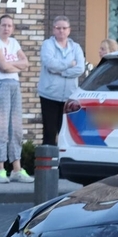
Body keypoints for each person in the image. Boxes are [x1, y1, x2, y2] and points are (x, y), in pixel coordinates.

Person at [0, 14, 32, 183]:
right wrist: (12, 66)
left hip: (14, 85)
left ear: (13, 28)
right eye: (3, 25)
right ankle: (0, 170)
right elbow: (3, 66)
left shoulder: (14, 43)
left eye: (9, 25)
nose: (6, 28)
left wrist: (10, 66)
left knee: (16, 129)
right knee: (2, 128)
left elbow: (25, 63)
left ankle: (17, 169)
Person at [37, 16, 85, 146]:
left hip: (69, 97)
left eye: (64, 28)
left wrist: (61, 71)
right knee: (50, 132)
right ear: (53, 30)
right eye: (58, 28)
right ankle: (48, 164)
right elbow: (50, 63)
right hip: (49, 95)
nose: (61, 31)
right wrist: (70, 64)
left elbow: (80, 68)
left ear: (69, 30)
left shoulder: (76, 47)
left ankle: (62, 164)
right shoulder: (48, 44)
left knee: (66, 133)